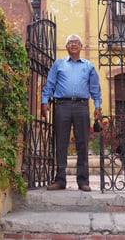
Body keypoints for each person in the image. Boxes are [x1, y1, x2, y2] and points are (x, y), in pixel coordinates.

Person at [41, 34, 102, 192]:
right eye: (70, 43)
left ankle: (83, 182)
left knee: (83, 143)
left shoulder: (88, 66)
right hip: (62, 105)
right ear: (67, 46)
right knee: (61, 142)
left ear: (81, 46)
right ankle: (60, 180)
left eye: (76, 43)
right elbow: (50, 84)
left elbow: (95, 88)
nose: (73, 45)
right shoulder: (58, 64)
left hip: (82, 106)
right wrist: (44, 101)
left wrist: (97, 105)